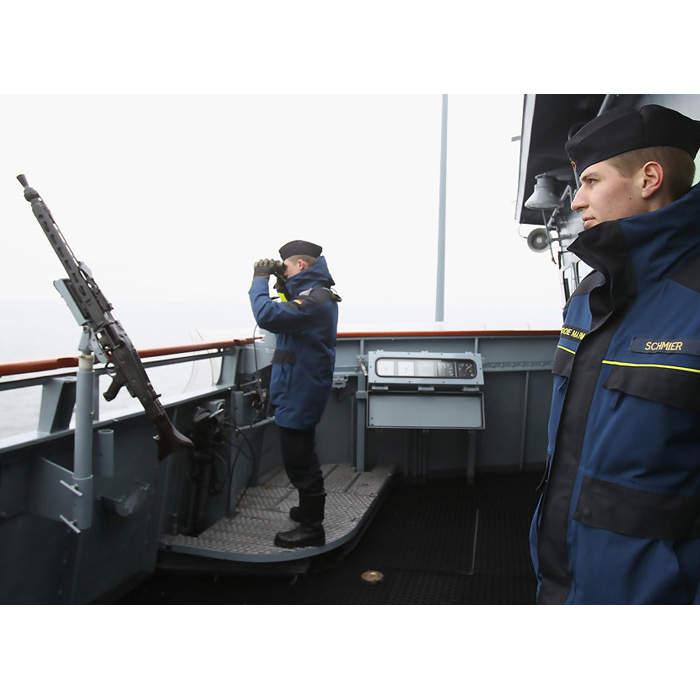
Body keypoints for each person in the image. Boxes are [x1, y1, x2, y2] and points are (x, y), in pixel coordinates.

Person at [530, 104, 700, 604]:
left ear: (649, 178)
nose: (578, 200)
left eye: (591, 181)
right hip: (562, 578)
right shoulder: (589, 294)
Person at [248, 239, 340, 549]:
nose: (283, 270)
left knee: (299, 459)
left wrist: (259, 280)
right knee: (300, 453)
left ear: (300, 264)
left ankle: (312, 528)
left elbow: (267, 316)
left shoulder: (315, 301)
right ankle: (306, 509)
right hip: (297, 386)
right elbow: (292, 307)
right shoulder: (314, 296)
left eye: (286, 267)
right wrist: (282, 281)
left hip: (300, 389)